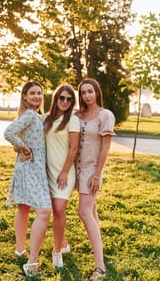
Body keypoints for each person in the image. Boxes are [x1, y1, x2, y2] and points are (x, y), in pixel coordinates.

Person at [4, 81, 51, 277]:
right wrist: (24, 148)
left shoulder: (36, 116)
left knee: (23, 207)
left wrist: (22, 146)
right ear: (24, 96)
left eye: (39, 93)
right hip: (30, 166)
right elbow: (9, 133)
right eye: (32, 93)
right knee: (44, 210)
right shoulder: (31, 114)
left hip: (31, 166)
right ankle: (31, 261)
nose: (36, 96)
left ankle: (19, 248)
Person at [75, 78, 115, 280]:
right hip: (75, 169)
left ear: (97, 92)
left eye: (90, 91)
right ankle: (101, 255)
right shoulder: (78, 115)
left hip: (92, 169)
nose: (87, 95)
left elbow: (106, 148)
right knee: (91, 211)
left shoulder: (105, 115)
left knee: (83, 211)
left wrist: (97, 175)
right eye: (83, 93)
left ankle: (99, 267)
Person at [43, 84, 80, 268]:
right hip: (46, 173)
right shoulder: (46, 119)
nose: (65, 101)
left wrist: (65, 171)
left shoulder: (72, 121)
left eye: (69, 99)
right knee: (48, 210)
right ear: (55, 98)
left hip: (64, 172)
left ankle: (56, 251)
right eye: (61, 98)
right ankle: (62, 243)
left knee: (58, 208)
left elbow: (74, 148)